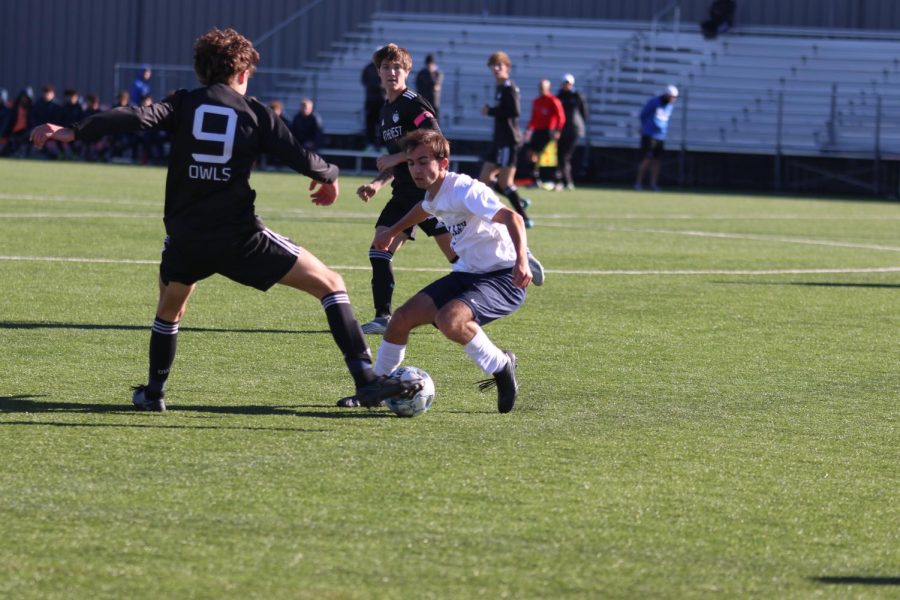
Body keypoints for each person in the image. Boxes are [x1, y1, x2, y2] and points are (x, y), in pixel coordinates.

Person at [29, 27, 419, 412]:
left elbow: (134, 117)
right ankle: (366, 379)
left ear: (203, 71)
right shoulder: (255, 112)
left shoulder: (184, 103)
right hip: (241, 238)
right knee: (332, 285)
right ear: (244, 73)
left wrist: (71, 130)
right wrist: (329, 177)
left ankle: (153, 392)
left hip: (186, 239)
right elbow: (301, 156)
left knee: (170, 310)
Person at [358, 129, 534, 413]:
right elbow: (424, 208)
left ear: (443, 164)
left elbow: (512, 217)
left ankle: (501, 365)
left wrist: (521, 262)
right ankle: (375, 386)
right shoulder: (434, 193)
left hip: (503, 277)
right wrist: (392, 230)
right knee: (400, 319)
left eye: (424, 161)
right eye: (412, 163)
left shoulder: (466, 189)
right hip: (468, 273)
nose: (416, 169)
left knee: (450, 320)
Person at [354, 43, 456, 336]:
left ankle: (504, 268)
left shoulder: (413, 103)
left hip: (429, 194)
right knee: (379, 250)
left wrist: (396, 157)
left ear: (407, 71)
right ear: (378, 72)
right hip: (403, 194)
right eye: (386, 67)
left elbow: (437, 139)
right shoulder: (386, 112)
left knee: (459, 259)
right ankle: (383, 317)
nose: (391, 72)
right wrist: (376, 184)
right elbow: (397, 164)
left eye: (397, 67)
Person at [478, 51, 533, 229]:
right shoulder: (500, 87)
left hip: (509, 141)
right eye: (493, 65)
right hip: (499, 140)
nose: (495, 68)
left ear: (507, 67)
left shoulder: (510, 87)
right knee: (484, 178)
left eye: (499, 65)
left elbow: (514, 111)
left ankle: (523, 216)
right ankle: (516, 199)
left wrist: (491, 111)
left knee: (504, 182)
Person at [523, 79, 565, 190]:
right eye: (540, 87)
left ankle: (558, 181)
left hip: (548, 131)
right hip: (538, 131)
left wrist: (558, 130)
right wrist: (528, 130)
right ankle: (535, 179)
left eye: (544, 87)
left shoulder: (553, 100)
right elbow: (533, 118)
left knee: (549, 157)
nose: (541, 89)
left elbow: (561, 117)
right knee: (531, 154)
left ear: (548, 88)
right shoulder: (536, 101)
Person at [635, 84, 678, 192]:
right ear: (667, 95)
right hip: (650, 135)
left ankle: (653, 183)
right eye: (672, 97)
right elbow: (643, 115)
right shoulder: (654, 102)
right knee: (646, 159)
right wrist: (646, 128)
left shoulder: (670, 105)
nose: (674, 99)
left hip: (661, 136)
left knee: (657, 161)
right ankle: (639, 183)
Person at [555, 73, 587, 191]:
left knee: (565, 156)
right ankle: (564, 181)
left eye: (568, 83)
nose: (566, 85)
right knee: (561, 156)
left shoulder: (577, 96)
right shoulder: (559, 96)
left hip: (573, 130)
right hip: (561, 130)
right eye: (564, 83)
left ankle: (566, 181)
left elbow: (584, 112)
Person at [361, 57, 385, 151]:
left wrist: (381, 87)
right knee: (370, 123)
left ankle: (384, 145)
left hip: (382, 100)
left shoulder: (386, 68)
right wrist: (376, 86)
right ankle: (370, 145)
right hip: (371, 101)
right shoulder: (368, 68)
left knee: (383, 124)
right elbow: (364, 81)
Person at [415, 54, 443, 119]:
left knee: (435, 122)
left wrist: (431, 73)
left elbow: (436, 86)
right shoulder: (421, 74)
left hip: (434, 104)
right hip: (424, 103)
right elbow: (418, 87)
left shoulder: (437, 74)